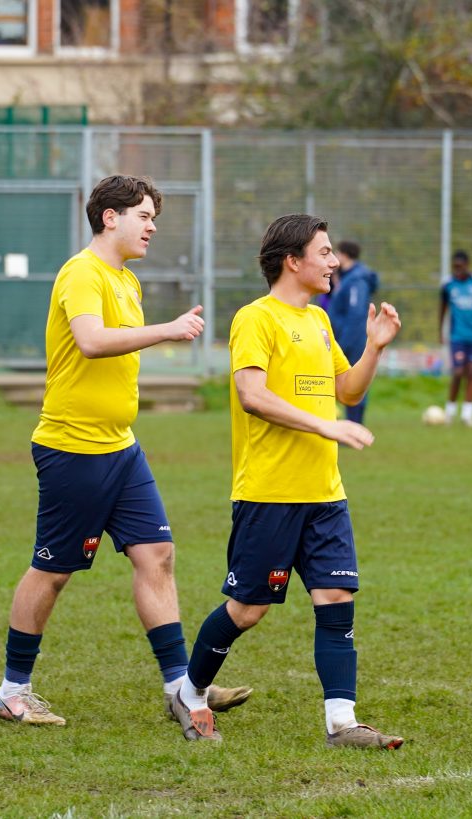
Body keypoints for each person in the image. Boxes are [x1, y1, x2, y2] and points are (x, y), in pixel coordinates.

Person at [0, 175, 251, 728]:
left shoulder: (127, 280)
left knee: (157, 555)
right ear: (110, 217)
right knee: (53, 571)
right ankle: (13, 692)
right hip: (72, 448)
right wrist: (167, 330)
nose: (152, 226)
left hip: (121, 448)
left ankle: (181, 687)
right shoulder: (82, 272)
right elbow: (90, 339)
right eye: (144, 215)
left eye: (154, 216)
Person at [172, 213, 404, 749]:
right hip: (269, 493)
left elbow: (346, 390)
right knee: (247, 610)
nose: (334, 261)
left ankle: (342, 722)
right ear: (292, 261)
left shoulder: (320, 322)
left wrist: (374, 348)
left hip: (324, 494)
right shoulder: (255, 319)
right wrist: (325, 425)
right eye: (323, 252)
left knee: (337, 599)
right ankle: (191, 692)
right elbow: (253, 395)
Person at [440, 250, 472, 427]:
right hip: (457, 336)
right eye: (455, 267)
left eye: (460, 267)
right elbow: (443, 309)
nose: (458, 270)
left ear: (467, 265)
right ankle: (449, 413)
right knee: (457, 372)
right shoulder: (448, 284)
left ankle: (467, 415)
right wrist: (440, 331)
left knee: (471, 372)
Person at [328, 240, 379, 423]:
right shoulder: (346, 278)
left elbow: (356, 314)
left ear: (344, 255)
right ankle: (348, 424)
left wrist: (345, 343)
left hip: (353, 339)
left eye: (336, 254)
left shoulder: (357, 280)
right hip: (345, 337)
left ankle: (355, 425)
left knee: (355, 380)